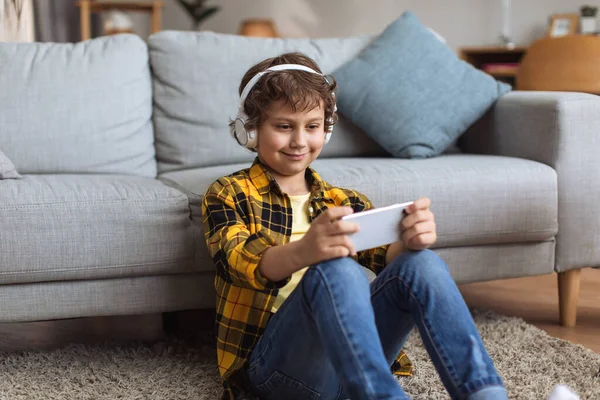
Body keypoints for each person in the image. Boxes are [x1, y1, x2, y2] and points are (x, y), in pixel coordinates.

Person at [201, 52, 508, 400]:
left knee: (421, 262)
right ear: (251, 130)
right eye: (284, 126)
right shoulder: (228, 194)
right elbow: (239, 261)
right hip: (277, 372)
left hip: (350, 370)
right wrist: (307, 250)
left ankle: (485, 395)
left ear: (326, 130)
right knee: (338, 271)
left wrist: (410, 240)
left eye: (313, 126)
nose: (300, 141)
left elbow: (386, 257)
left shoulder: (341, 199)